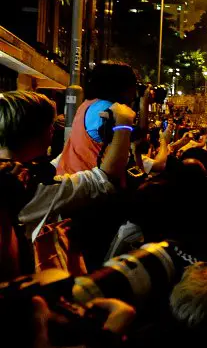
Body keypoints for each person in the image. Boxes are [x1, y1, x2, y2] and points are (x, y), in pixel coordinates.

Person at [0, 91, 134, 279]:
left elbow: (55, 164)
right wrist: (124, 124)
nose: (53, 129)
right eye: (50, 125)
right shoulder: (27, 185)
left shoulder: (22, 170)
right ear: (37, 132)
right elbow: (103, 180)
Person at [56, 61, 140, 176]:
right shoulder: (111, 110)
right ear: (121, 86)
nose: (134, 92)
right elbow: (135, 142)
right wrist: (143, 104)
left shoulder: (87, 104)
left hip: (72, 176)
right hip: (91, 186)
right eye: (133, 85)